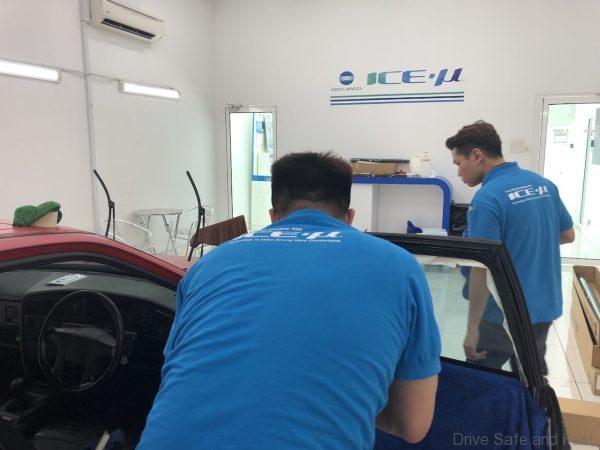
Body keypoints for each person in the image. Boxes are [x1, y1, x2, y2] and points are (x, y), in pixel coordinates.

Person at [137, 152, 441, 450]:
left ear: (272, 216)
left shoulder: (207, 265)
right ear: (350, 218)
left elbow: (180, 368)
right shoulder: (399, 266)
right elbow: (412, 425)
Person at [445, 121, 575, 374]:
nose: (459, 173)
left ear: (477, 156)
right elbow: (567, 235)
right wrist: (527, 244)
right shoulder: (544, 185)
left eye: (458, 164)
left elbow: (481, 269)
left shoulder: (487, 199)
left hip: (501, 312)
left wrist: (472, 329)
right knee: (531, 377)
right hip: (543, 307)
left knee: (482, 381)